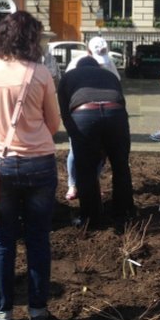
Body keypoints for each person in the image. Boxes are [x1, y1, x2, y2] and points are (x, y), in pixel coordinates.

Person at [0, 11, 61, 320]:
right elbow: (53, 124)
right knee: (39, 239)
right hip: (39, 163)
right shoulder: (40, 74)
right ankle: (38, 311)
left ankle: (3, 312)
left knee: (2, 241)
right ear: (32, 40)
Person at [57, 56, 133, 228]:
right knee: (121, 166)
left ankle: (91, 219)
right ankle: (123, 214)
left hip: (84, 115)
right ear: (97, 66)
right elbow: (121, 102)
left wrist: (75, 136)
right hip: (115, 114)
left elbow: (65, 113)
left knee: (85, 170)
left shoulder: (68, 77)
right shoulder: (110, 75)